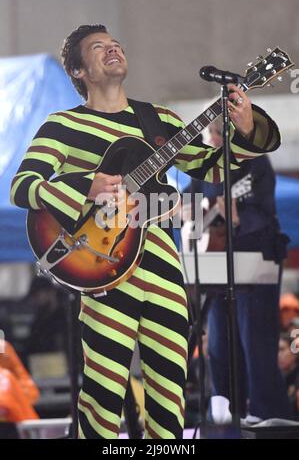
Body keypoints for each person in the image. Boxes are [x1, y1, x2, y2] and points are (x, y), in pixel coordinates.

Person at [10, 24, 282, 439]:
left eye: (114, 43)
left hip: (162, 269)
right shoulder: (61, 125)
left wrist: (242, 130)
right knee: (102, 397)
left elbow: (215, 170)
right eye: (98, 48)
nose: (112, 48)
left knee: (169, 394)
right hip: (101, 266)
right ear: (80, 72)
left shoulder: (159, 119)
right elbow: (22, 186)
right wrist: (88, 186)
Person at [205, 120, 291, 423]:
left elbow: (262, 210)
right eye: (210, 134)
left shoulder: (255, 163)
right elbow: (193, 201)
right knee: (218, 344)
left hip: (255, 259)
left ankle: (267, 412)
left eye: (218, 134)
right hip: (216, 264)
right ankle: (227, 410)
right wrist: (188, 210)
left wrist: (237, 217)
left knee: (255, 340)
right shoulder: (205, 167)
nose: (213, 140)